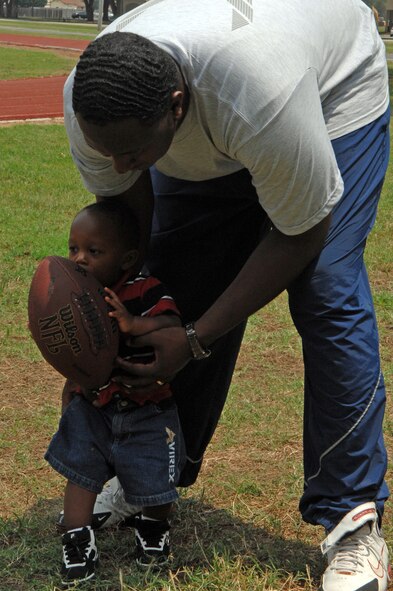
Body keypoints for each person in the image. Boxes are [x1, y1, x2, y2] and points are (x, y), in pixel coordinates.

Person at [62, 1, 390, 589]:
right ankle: (152, 470)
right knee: (167, 284)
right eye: (104, 149)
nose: (115, 163)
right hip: (225, 111)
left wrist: (194, 339)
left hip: (330, 99)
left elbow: (303, 231)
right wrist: (107, 334)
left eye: (130, 151)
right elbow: (135, 242)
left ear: (176, 106)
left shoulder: (261, 92)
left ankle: (353, 518)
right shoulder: (93, 99)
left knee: (326, 290)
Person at [45, 201, 185, 585]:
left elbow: (172, 330)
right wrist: (70, 382)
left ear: (127, 258)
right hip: (94, 406)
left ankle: (154, 531)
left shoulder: (145, 289)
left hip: (147, 409)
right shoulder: (76, 294)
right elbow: (76, 351)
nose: (80, 259)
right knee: (81, 473)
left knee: (157, 478)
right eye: (74, 248)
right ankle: (77, 542)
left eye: (94, 251)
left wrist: (134, 322)